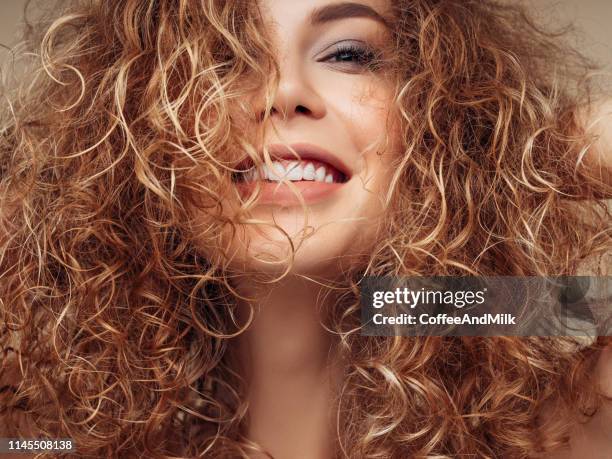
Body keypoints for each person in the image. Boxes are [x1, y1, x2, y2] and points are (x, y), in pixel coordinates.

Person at [1, 0, 611, 457]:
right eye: (219, 58)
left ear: (441, 114)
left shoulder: (566, 432)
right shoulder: (44, 438)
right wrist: (48, 189)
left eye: (349, 54)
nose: (283, 91)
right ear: (124, 130)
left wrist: (530, 152)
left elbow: (594, 310)